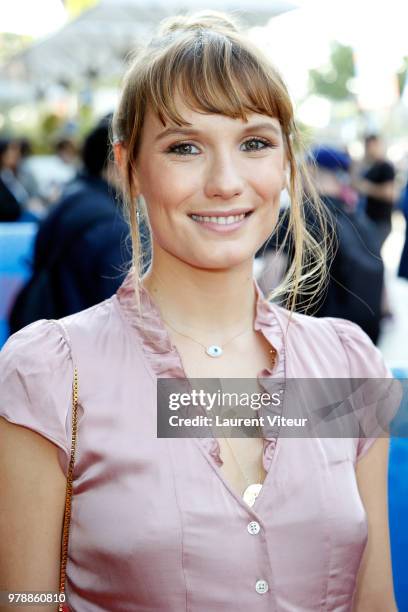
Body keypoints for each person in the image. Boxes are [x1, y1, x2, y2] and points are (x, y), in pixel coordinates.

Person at [0, 11, 398, 612]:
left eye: (255, 143)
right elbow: (24, 599)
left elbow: (375, 600)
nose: (225, 181)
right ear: (129, 165)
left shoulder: (348, 364)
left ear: (286, 161)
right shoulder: (50, 371)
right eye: (185, 147)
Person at [8, 118, 133, 332]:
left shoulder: (72, 198)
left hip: (47, 332)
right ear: (117, 158)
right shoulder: (111, 226)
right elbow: (122, 316)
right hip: (82, 347)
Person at [357, 134, 396, 249]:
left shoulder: (386, 167)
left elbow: (389, 193)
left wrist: (366, 188)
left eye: (371, 146)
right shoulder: (370, 166)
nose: (369, 149)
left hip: (380, 222)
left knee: (372, 256)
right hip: (369, 219)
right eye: (367, 146)